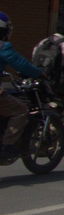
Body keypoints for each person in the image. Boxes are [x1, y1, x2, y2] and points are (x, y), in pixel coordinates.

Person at [0, 11, 44, 159]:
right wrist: (39, 74)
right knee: (21, 110)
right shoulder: (3, 47)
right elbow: (21, 64)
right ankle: (7, 146)